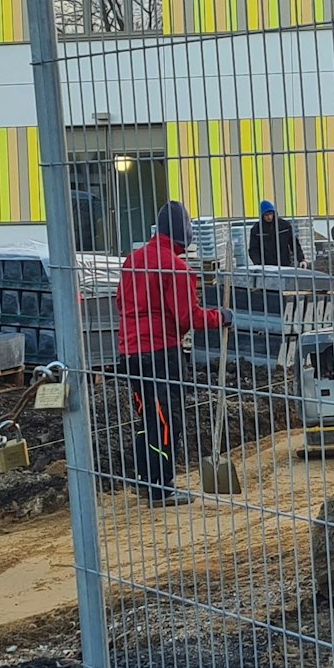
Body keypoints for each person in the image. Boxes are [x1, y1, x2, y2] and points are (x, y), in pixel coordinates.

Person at [116, 200, 226, 507]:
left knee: (145, 417)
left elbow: (121, 304)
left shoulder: (132, 260)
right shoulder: (176, 268)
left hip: (131, 353)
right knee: (167, 418)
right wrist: (221, 316)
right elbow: (187, 318)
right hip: (162, 353)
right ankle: (161, 488)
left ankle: (145, 480)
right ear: (183, 231)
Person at [246, 199, 301, 267]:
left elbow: (294, 244)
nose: (269, 217)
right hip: (267, 267)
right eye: (266, 215)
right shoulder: (257, 230)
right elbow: (254, 249)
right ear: (262, 215)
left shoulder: (284, 226)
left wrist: (301, 259)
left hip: (284, 264)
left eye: (270, 214)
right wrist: (258, 264)